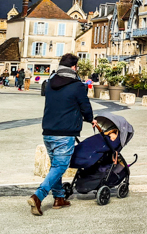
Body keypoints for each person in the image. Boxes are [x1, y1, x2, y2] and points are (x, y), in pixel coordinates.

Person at [28, 54, 96, 216]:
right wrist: (90, 119)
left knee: (55, 167)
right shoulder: (77, 86)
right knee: (60, 166)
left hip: (48, 131)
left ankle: (59, 198)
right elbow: (85, 107)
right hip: (65, 133)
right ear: (73, 67)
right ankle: (38, 196)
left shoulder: (50, 83)